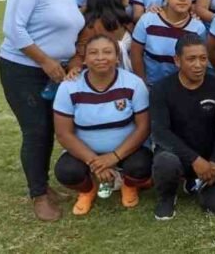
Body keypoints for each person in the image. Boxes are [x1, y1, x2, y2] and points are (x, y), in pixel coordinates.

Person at [0, 0, 85, 221]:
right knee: (36, 130)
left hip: (55, 72)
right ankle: (38, 195)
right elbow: (14, 29)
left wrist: (72, 57)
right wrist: (45, 61)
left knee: (50, 128)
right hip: (24, 70)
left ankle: (44, 184)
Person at [53, 35, 151, 215]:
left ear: (117, 57)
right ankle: (87, 190)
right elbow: (63, 134)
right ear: (84, 58)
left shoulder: (133, 83)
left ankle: (128, 185)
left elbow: (143, 127)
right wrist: (94, 161)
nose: (100, 58)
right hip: (86, 153)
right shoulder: (69, 87)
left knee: (142, 165)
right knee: (66, 171)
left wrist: (114, 157)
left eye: (107, 52)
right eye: (93, 53)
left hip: (125, 151)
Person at [150, 34, 215, 220]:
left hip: (209, 158)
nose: (198, 65)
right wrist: (195, 159)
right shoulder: (161, 89)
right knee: (165, 161)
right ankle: (167, 197)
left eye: (203, 58)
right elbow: (160, 132)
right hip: (177, 154)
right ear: (177, 61)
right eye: (191, 59)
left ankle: (195, 184)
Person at [130, 0, 207, 85]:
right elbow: (135, 53)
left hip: (184, 88)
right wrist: (142, 84)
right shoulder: (148, 20)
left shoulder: (198, 27)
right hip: (152, 85)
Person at [67, 0, 134, 73]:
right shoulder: (91, 27)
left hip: (129, 79)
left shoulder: (126, 22)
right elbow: (80, 56)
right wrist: (75, 69)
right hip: (101, 79)